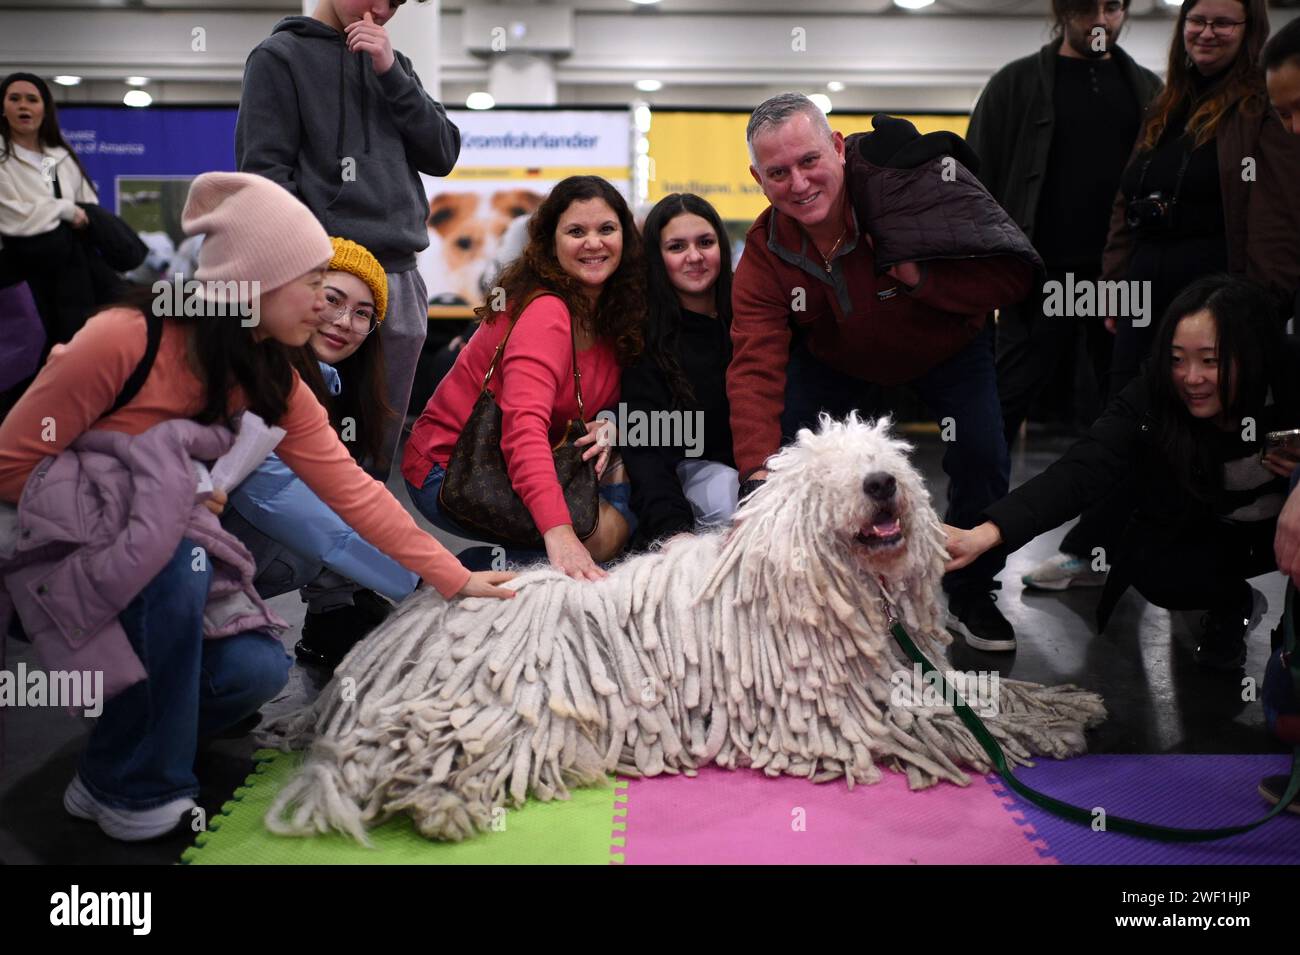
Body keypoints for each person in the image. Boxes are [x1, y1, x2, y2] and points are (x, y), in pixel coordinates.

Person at [0, 172, 514, 842]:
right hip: (58, 555)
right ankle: (141, 786)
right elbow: (12, 461)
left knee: (255, 671)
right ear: (254, 280)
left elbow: (352, 492)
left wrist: (455, 576)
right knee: (177, 555)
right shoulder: (125, 338)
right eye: (313, 284)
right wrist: (139, 498)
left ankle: (106, 767)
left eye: (356, 306)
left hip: (161, 565)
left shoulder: (274, 377)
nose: (327, 309)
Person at [729, 93, 1037, 652]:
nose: (798, 183)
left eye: (808, 161)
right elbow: (754, 366)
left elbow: (1012, 280)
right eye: (778, 172)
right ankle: (824, 582)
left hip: (948, 348)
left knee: (982, 450)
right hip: (838, 362)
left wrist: (924, 280)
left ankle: (971, 590)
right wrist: (756, 477)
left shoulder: (910, 192)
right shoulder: (764, 252)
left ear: (839, 149)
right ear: (758, 177)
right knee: (786, 456)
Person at [1025, 0, 1300, 594]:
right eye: (1197, 20)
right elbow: (1129, 201)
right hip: (1146, 291)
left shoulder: (1261, 109)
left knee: (1201, 438)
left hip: (1214, 297)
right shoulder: (1166, 103)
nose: (1207, 31)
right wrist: (1115, 284)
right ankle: (1101, 548)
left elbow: (1277, 214)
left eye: (1224, 22)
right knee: (1129, 420)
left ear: (1250, 31)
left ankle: (1202, 578)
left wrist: (1259, 310)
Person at [945, 275, 1300, 671]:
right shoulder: (1155, 391)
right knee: (1150, 564)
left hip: (1286, 531)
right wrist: (985, 534)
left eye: (1210, 360)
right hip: (1216, 534)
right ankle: (1230, 604)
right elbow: (1082, 468)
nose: (1192, 378)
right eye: (1177, 358)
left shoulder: (1289, 371)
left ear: (1249, 355)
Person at [235, 0, 462, 478]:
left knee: (375, 451)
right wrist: (314, 265)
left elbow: (442, 152)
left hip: (399, 275)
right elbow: (265, 176)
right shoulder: (279, 57)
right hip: (322, 274)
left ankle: (357, 547)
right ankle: (291, 551)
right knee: (303, 440)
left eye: (396, 3)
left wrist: (390, 73)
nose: (381, 10)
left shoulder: (395, 64)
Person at [403, 175, 645, 581]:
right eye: (575, 231)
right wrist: (558, 532)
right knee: (592, 549)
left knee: (620, 531)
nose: (593, 243)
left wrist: (612, 424)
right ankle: (455, 582)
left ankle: (502, 568)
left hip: (525, 460)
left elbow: (614, 398)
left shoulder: (611, 312)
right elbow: (523, 429)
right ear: (550, 243)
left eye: (606, 229)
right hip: (451, 469)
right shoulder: (546, 311)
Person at [967, 0, 1161, 450]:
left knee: (1124, 415)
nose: (1099, 20)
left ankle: (1114, 519)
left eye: (1112, 7)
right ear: (1061, 11)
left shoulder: (1149, 89)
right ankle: (969, 518)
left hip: (1117, 281)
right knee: (1000, 409)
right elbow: (972, 185)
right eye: (1084, 8)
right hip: (1039, 278)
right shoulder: (1013, 86)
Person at [222, 236, 418, 672]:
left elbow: (359, 495)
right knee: (251, 672)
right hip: (149, 573)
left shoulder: (333, 388)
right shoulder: (252, 375)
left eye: (363, 314)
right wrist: (431, 583)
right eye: (332, 299)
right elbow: (291, 504)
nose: (345, 321)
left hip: (209, 565)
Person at [622, 193, 738, 546]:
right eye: (676, 247)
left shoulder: (752, 318)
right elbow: (647, 451)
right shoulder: (644, 340)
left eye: (705, 242)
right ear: (657, 258)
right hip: (695, 507)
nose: (695, 257)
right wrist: (673, 534)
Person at [0, 72, 107, 353]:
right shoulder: (2, 156)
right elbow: (13, 217)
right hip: (19, 275)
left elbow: (85, 205)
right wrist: (64, 211)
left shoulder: (54, 156)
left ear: (44, 109)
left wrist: (63, 211)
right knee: (26, 359)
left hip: (69, 273)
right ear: (3, 106)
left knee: (72, 350)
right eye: (15, 99)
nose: (24, 106)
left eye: (32, 99)